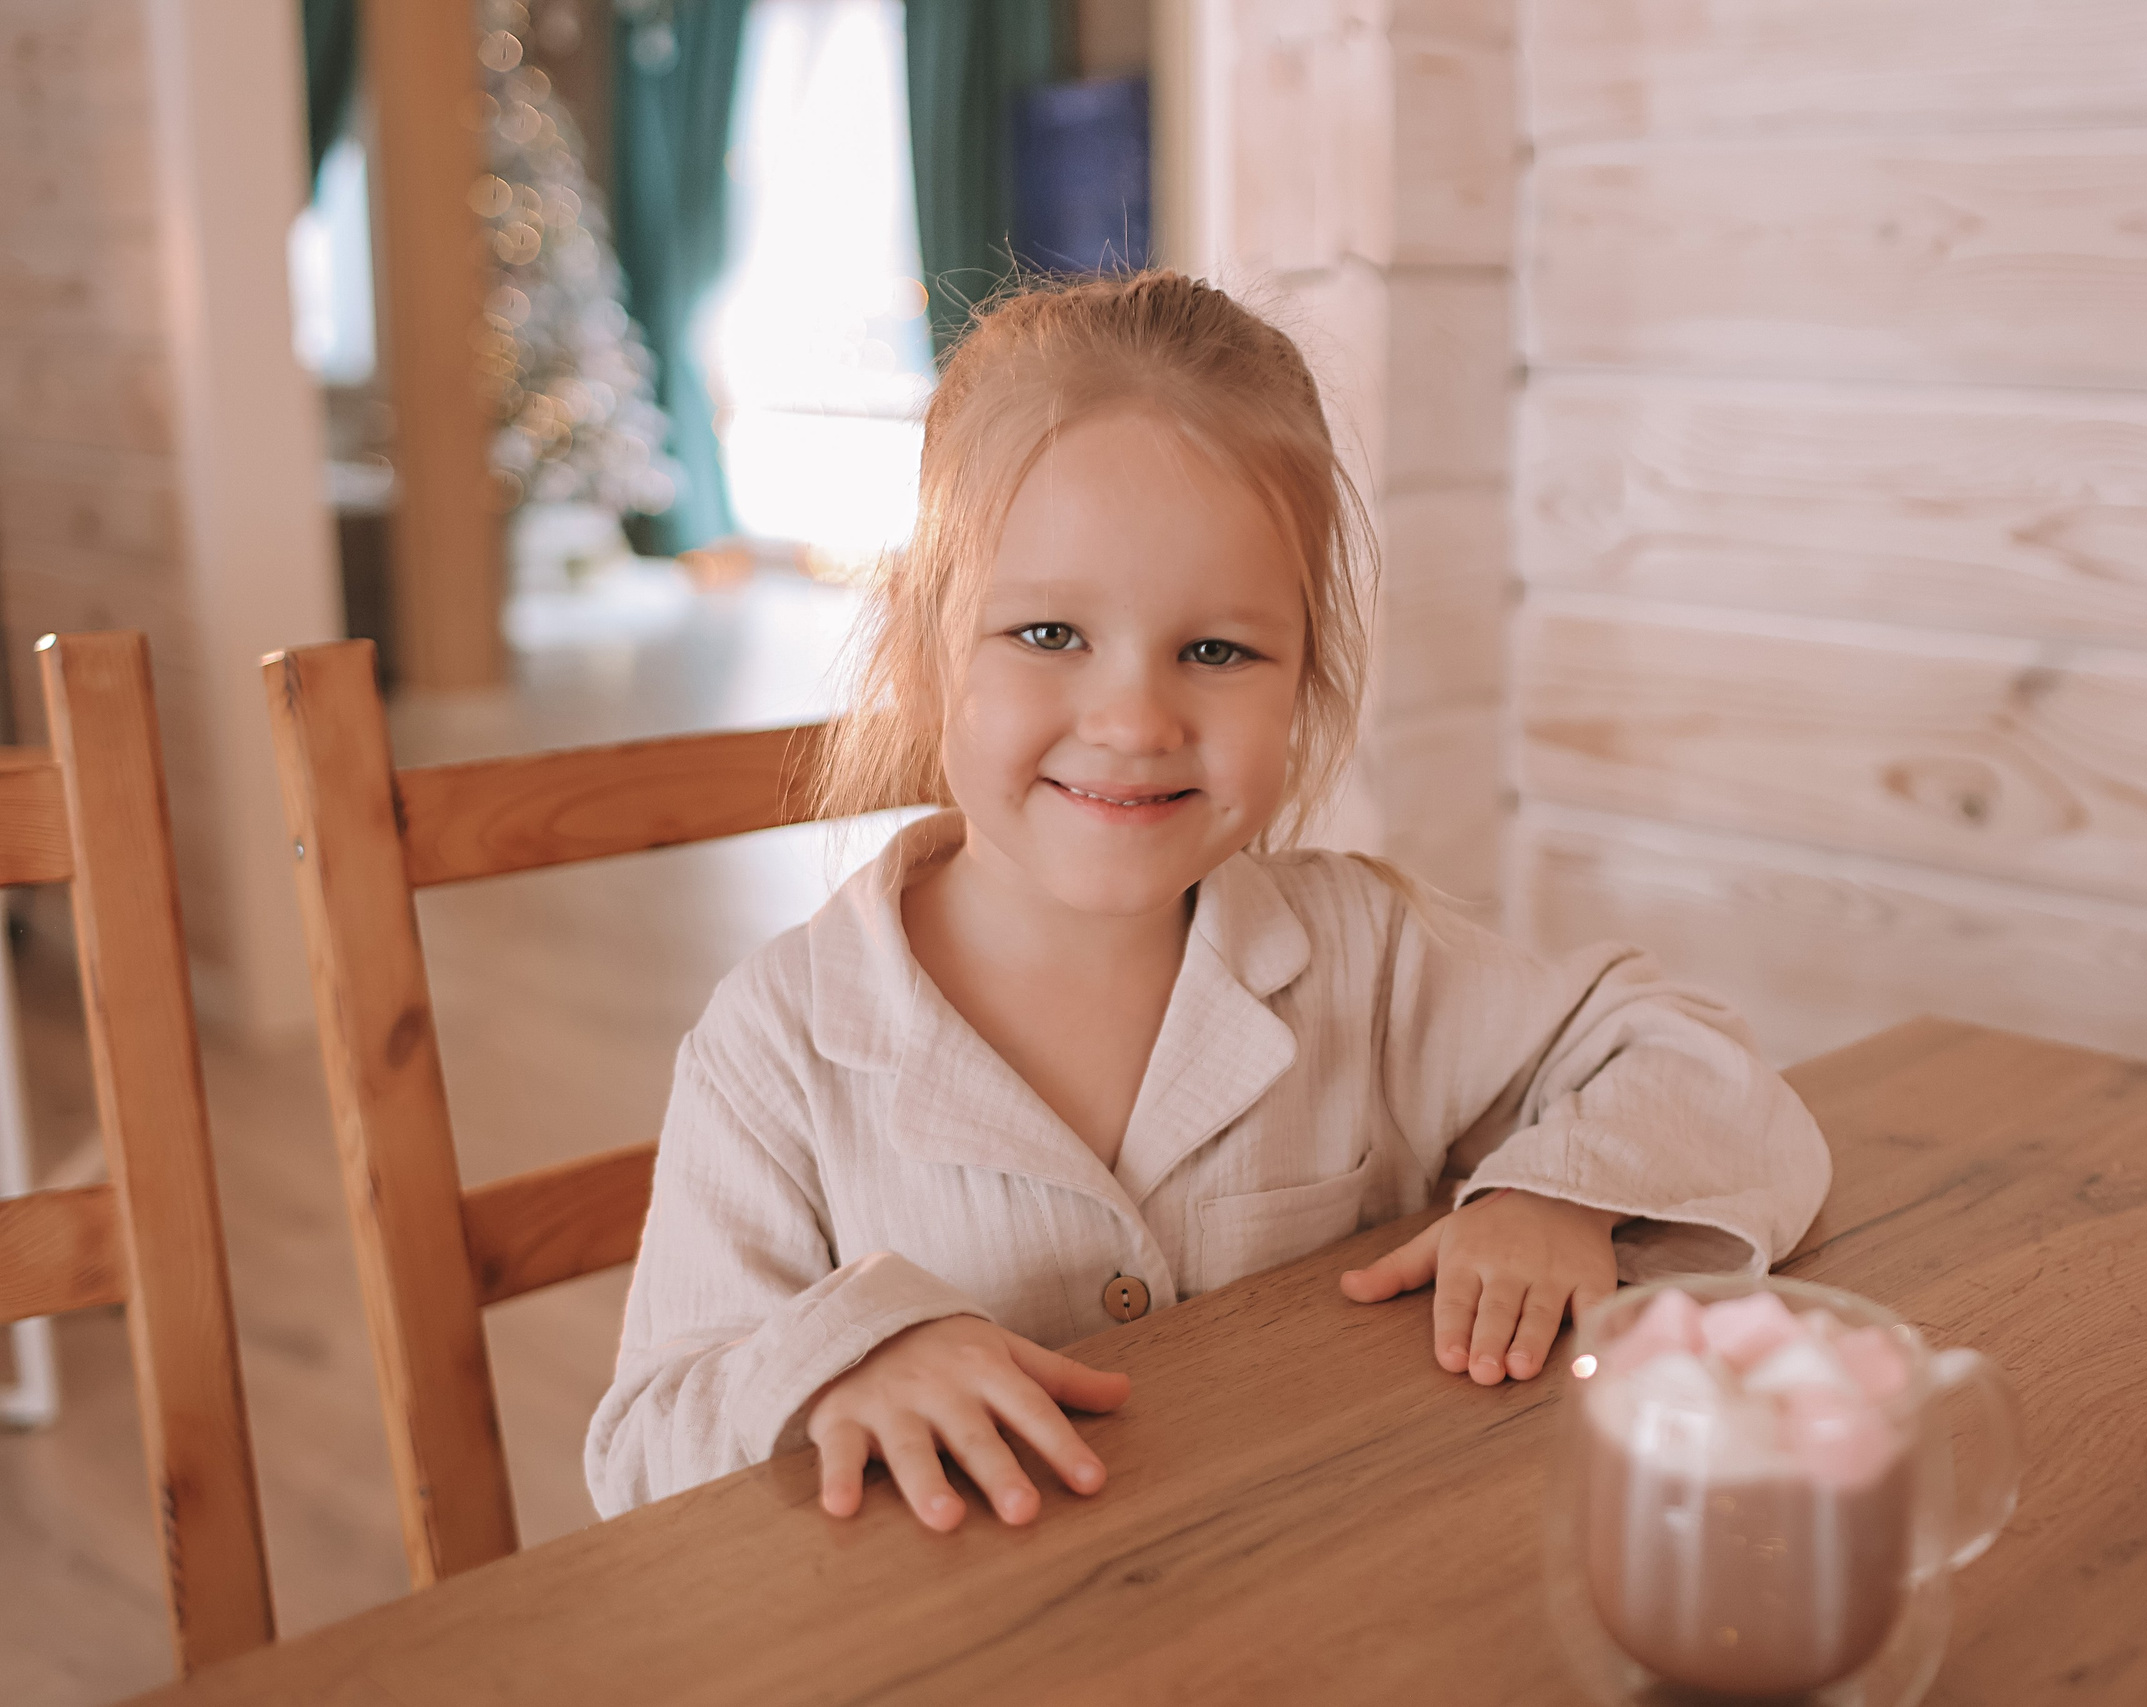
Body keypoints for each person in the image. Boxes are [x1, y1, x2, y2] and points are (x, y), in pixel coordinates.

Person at [586, 271, 1830, 1529]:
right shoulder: (777, 1046)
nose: (1133, 721)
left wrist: (1558, 1191)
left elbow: (1706, 1076)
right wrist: (842, 1357)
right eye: (1049, 635)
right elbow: (640, 1451)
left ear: (1303, 686)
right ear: (920, 653)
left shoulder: (1371, 959)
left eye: (1217, 652)